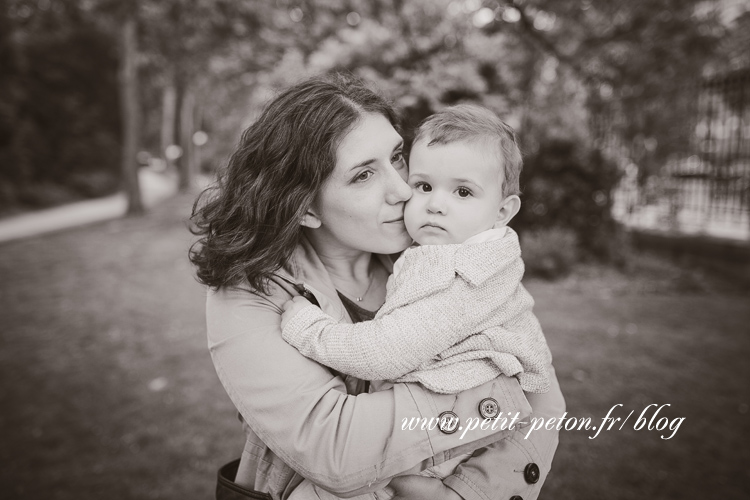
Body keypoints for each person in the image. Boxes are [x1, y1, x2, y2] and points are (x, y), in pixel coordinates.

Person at [190, 73, 566, 500]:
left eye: (398, 157)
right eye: (364, 175)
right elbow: (336, 448)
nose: (404, 189)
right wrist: (498, 394)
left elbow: (545, 404)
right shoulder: (252, 294)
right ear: (307, 208)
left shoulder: (439, 258)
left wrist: (465, 494)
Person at [279, 105, 553, 500]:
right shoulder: (446, 250)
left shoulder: (470, 276)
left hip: (452, 426)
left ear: (503, 211)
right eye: (424, 186)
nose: (434, 204)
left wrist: (309, 329)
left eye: (462, 192)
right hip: (436, 421)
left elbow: (387, 352)